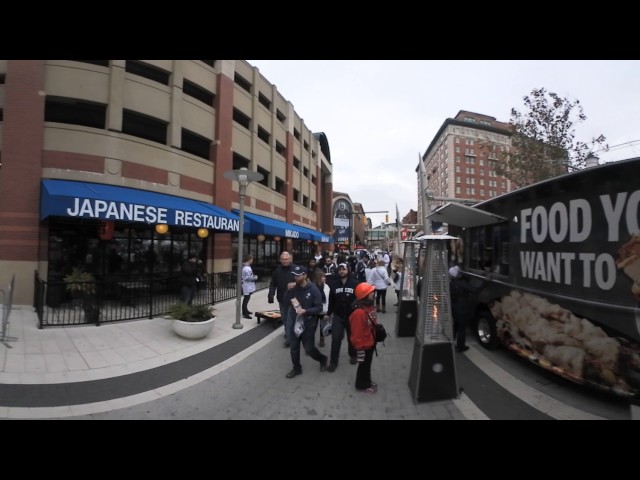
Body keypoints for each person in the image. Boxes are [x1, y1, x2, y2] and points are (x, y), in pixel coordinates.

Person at [285, 265, 328, 378]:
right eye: (294, 275)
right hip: (295, 322)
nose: (295, 277)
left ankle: (322, 359)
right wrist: (288, 291)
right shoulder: (294, 288)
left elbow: (319, 308)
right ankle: (296, 368)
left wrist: (306, 311)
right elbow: (286, 302)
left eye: (298, 276)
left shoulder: (313, 289)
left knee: (309, 349)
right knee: (294, 347)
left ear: (305, 275)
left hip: (309, 323)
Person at [326, 262, 360, 371]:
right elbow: (331, 300)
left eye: (344, 269)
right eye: (340, 269)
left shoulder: (355, 283)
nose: (342, 271)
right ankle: (333, 362)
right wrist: (328, 313)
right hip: (338, 316)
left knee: (352, 338)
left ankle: (353, 355)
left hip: (352, 316)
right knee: (336, 339)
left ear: (348, 270)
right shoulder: (334, 284)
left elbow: (360, 298)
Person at [349, 282, 379, 393]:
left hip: (370, 343)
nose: (374, 293)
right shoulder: (358, 313)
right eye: (371, 292)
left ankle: (366, 381)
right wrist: (360, 348)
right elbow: (356, 334)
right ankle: (362, 385)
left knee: (366, 365)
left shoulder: (369, 306)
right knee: (363, 366)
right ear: (365, 295)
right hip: (363, 346)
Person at [268, 251, 296, 347]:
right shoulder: (277, 270)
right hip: (282, 298)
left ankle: (289, 337)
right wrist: (271, 294)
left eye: (286, 259)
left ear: (290, 259)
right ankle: (288, 332)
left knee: (290, 318)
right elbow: (273, 283)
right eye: (283, 259)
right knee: (284, 317)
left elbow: (303, 281)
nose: (284, 261)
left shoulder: (295, 269)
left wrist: (295, 285)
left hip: (294, 299)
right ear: (280, 259)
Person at [448, 265, 477, 353]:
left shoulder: (451, 283)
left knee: (455, 325)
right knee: (461, 328)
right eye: (459, 271)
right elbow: (475, 290)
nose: (461, 272)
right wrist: (486, 282)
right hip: (462, 308)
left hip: (454, 307)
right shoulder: (462, 283)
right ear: (457, 274)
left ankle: (450, 342)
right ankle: (460, 347)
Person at [312, 268, 330, 347]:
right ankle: (310, 344)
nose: (324, 278)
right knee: (312, 328)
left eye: (324, 276)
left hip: (324, 311)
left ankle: (322, 339)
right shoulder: (312, 288)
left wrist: (328, 312)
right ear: (318, 278)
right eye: (322, 277)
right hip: (314, 311)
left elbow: (329, 299)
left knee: (323, 327)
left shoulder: (327, 287)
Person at [241, 254, 258, 319]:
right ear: (249, 260)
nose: (252, 261)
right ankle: (245, 313)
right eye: (252, 259)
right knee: (246, 299)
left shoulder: (246, 267)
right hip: (246, 286)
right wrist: (254, 278)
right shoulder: (246, 268)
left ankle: (246, 310)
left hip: (248, 285)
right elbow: (247, 278)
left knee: (247, 299)